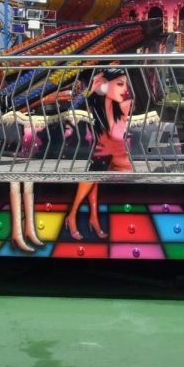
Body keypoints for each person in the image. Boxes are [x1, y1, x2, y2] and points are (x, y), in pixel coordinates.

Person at [65, 68, 132, 241]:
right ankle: (81, 217)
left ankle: (80, 216)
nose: (124, 89)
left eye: (125, 84)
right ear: (104, 86)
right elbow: (112, 134)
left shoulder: (124, 103)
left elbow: (116, 135)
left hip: (115, 153)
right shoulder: (105, 105)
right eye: (119, 84)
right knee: (96, 171)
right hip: (108, 150)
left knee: (95, 172)